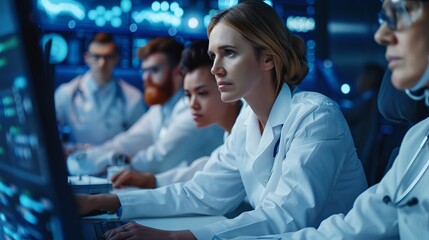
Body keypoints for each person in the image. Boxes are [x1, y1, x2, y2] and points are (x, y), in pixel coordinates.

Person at [76, 1, 367, 239]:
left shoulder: (315, 116)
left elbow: (285, 217)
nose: (215, 68)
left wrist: (175, 238)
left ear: (267, 59)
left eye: (229, 53)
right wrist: (109, 201)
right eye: (214, 55)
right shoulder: (246, 120)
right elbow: (201, 192)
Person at [229, 0, 429, 238]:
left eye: (398, 16)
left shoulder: (318, 114)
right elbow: (350, 230)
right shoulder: (418, 141)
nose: (381, 35)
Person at [67, 37, 224, 176]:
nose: (145, 77)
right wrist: (88, 155)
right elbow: (125, 142)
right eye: (144, 71)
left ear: (178, 72)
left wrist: (111, 161)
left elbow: (158, 158)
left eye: (154, 70)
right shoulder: (160, 109)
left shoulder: (196, 107)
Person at [110, 39, 243, 189]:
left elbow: (160, 159)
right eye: (188, 95)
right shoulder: (162, 108)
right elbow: (205, 171)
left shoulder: (235, 130)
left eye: (202, 93)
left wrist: (147, 179)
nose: (192, 104)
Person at [55, 32, 146, 147]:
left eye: (107, 57)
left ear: (116, 59)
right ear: (87, 58)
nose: (102, 63)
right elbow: (48, 131)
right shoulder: (66, 93)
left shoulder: (133, 97)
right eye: (96, 57)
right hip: (77, 160)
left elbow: (141, 140)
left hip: (114, 162)